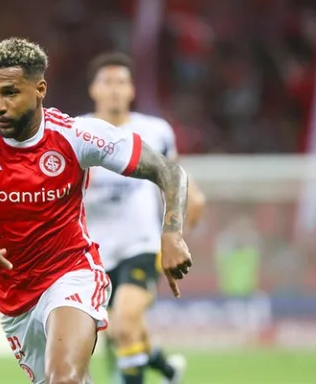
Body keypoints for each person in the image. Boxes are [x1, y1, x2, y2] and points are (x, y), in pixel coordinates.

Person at [0, 38, 193, 384]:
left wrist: (171, 233)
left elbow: (168, 170)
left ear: (40, 89)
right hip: (14, 296)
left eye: (10, 93)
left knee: (64, 378)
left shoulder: (76, 136)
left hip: (71, 274)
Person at [82, 52, 206, 384]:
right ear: (92, 90)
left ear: (132, 89)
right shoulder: (77, 133)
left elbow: (179, 183)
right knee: (122, 331)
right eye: (106, 82)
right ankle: (167, 370)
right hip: (92, 255)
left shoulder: (154, 130)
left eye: (121, 82)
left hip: (141, 245)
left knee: (123, 324)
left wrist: (175, 237)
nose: (114, 90)